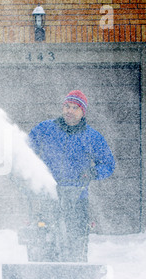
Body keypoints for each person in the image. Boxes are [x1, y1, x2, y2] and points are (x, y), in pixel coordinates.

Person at [28, 90, 115, 262]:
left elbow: (108, 164)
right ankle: (44, 275)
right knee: (44, 241)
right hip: (49, 196)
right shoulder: (46, 129)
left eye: (75, 107)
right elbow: (26, 148)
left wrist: (93, 172)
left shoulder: (92, 137)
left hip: (77, 198)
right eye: (67, 106)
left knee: (76, 243)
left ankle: (76, 276)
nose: (69, 110)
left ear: (83, 112)